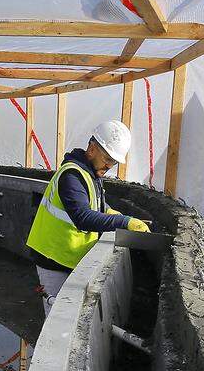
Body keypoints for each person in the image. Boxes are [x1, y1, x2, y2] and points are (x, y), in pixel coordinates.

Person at [26, 120, 150, 315]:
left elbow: (96, 203)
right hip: (52, 258)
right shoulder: (72, 176)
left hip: (68, 256)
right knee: (57, 317)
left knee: (69, 314)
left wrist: (111, 212)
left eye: (114, 161)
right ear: (92, 149)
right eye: (108, 159)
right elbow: (83, 216)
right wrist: (125, 222)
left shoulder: (90, 173)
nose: (110, 165)